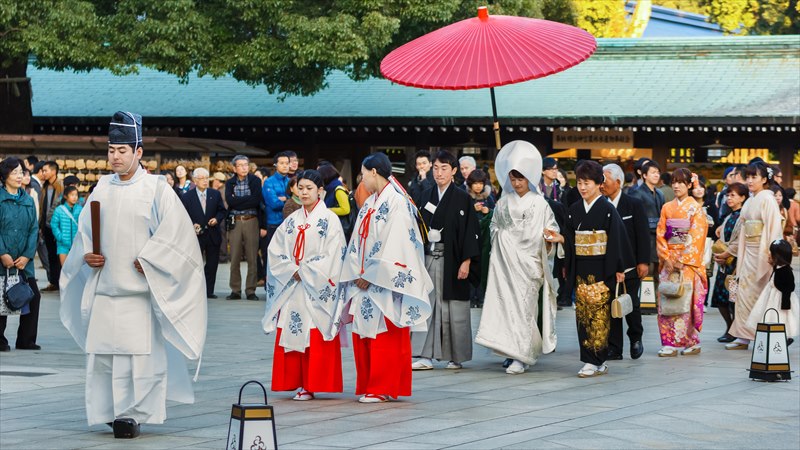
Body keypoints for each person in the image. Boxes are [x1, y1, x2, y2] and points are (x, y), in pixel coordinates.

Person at [60, 111, 207, 438]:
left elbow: (177, 235)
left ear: (138, 151)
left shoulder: (156, 189)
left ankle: (133, 414)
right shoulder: (101, 187)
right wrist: (87, 255)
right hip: (105, 288)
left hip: (138, 292)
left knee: (138, 359)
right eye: (111, 150)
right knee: (103, 357)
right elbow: (85, 232)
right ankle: (107, 412)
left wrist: (152, 258)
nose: (115, 156)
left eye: (122, 150)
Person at [338, 152, 433, 403]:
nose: (361, 179)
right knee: (365, 333)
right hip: (365, 277)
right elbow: (356, 240)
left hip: (385, 281)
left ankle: (382, 387)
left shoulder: (397, 202)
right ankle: (371, 385)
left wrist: (371, 274)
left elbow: (397, 245)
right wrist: (356, 271)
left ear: (374, 172)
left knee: (385, 335)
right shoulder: (370, 202)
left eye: (363, 174)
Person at [474, 141, 561, 374]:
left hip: (528, 263)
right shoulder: (503, 202)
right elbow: (494, 227)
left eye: (520, 179)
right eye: (513, 179)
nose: (516, 183)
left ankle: (523, 354)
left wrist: (545, 240)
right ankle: (510, 351)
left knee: (524, 309)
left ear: (529, 178)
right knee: (506, 308)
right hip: (505, 264)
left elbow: (549, 229)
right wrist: (504, 239)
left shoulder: (540, 203)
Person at [262, 169, 346, 401]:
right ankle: (297, 382)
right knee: (294, 330)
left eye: (309, 188)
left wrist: (305, 271)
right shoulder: (291, 220)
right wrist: (291, 269)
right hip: (294, 285)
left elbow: (334, 254)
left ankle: (312, 383)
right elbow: (275, 250)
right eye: (301, 188)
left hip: (316, 286)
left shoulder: (329, 220)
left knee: (314, 332)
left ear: (320, 191)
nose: (304, 192)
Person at [411, 151, 480, 371]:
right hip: (428, 258)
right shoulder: (425, 195)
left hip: (454, 259)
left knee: (454, 308)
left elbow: (470, 232)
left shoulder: (462, 198)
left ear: (453, 171)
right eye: (436, 168)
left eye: (444, 168)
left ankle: (455, 356)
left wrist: (466, 261)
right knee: (427, 305)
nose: (439, 173)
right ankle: (425, 355)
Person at [563, 160, 631, 378]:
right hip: (581, 268)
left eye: (587, 183)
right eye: (579, 183)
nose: (582, 187)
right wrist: (561, 243)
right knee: (583, 314)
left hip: (602, 267)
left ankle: (596, 360)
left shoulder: (608, 209)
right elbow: (569, 238)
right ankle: (591, 359)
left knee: (599, 314)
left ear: (599, 183)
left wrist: (618, 268)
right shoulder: (574, 209)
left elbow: (617, 240)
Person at [714, 161, 784, 350]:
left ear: (764, 179)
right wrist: (730, 251)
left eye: (755, 177)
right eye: (749, 177)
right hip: (747, 253)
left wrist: (773, 253)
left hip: (762, 253)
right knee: (743, 294)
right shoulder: (751, 200)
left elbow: (773, 229)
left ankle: (763, 333)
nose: (750, 181)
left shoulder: (767, 199)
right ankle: (743, 336)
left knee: (760, 295)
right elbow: (741, 230)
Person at [654, 169, 709, 357]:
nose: (676, 186)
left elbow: (696, 236)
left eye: (681, 183)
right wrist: (666, 257)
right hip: (669, 260)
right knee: (666, 299)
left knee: (686, 301)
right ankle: (668, 342)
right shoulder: (666, 207)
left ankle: (691, 341)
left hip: (686, 263)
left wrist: (681, 259)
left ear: (689, 185)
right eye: (674, 182)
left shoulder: (695, 208)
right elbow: (660, 233)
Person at [601, 164, 649, 360]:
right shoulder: (601, 205)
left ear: (618, 182)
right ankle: (614, 347)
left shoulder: (633, 204)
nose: (601, 185)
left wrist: (643, 261)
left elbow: (643, 234)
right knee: (612, 304)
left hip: (630, 263)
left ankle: (636, 337)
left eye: (605, 180)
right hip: (608, 264)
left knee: (632, 304)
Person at [0, 158, 42, 352]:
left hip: (23, 262)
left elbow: (34, 229)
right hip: (3, 261)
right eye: (15, 172)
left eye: (22, 172)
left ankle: (26, 340)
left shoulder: (28, 200)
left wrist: (26, 256)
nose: (20, 176)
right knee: (1, 297)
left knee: (33, 296)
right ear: (4, 176)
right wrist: (2, 253)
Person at [181, 168, 227, 299]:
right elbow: (182, 215)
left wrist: (216, 219)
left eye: (207, 178)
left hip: (213, 233)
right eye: (201, 178)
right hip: (195, 235)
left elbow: (222, 211)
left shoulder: (215, 194)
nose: (205, 181)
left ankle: (208, 291)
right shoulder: (187, 196)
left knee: (212, 264)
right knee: (194, 264)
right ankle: (194, 291)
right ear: (195, 180)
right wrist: (192, 224)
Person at [226, 155, 266, 301]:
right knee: (234, 257)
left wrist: (238, 201)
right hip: (235, 221)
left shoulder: (255, 181)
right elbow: (230, 201)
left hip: (251, 220)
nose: (244, 167)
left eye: (246, 165)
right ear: (234, 168)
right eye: (240, 165)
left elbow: (255, 200)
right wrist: (245, 200)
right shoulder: (230, 182)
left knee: (252, 257)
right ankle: (235, 290)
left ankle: (250, 290)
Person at [711, 182, 748, 343]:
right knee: (720, 298)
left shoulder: (743, 217)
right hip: (724, 264)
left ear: (742, 198)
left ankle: (735, 330)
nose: (729, 198)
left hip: (735, 265)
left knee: (733, 298)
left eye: (733, 195)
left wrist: (725, 254)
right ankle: (729, 327)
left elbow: (740, 241)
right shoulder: (729, 216)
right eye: (727, 195)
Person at [746, 239, 797, 342]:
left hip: (780, 299)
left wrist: (785, 303)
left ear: (778, 256)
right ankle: (772, 336)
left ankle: (783, 337)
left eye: (771, 253)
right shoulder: (778, 268)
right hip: (771, 296)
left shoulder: (786, 271)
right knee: (769, 315)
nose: (769, 255)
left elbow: (789, 288)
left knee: (779, 316)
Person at [629, 160, 665, 296]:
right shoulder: (636, 193)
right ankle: (644, 302)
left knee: (658, 273)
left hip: (658, 239)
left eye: (658, 173)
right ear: (644, 175)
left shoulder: (660, 193)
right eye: (653, 172)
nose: (656, 175)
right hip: (645, 239)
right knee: (645, 273)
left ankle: (656, 302)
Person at [39, 160, 63, 292]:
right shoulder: (45, 187)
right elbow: (43, 208)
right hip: (47, 226)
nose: (43, 173)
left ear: (53, 171)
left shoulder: (60, 186)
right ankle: (53, 282)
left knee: (59, 255)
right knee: (51, 255)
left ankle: (60, 282)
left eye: (45, 170)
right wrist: (41, 225)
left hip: (58, 226)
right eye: (42, 171)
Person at [50, 185, 83, 266]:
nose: (74, 197)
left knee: (76, 270)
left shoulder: (80, 209)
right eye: (72, 195)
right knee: (64, 269)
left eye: (76, 195)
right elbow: (54, 224)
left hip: (76, 245)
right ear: (65, 196)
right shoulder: (59, 210)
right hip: (63, 245)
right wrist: (60, 237)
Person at [318, 163, 352, 237]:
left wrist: (326, 210)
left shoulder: (338, 189)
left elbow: (345, 209)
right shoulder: (330, 189)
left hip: (341, 229)